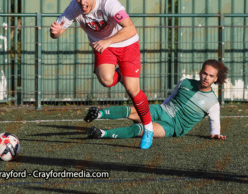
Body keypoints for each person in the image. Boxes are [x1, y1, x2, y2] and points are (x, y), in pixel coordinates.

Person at [50, 0, 154, 149]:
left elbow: (130, 29)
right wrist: (55, 32)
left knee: (132, 89)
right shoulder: (74, 7)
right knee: (106, 80)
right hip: (104, 47)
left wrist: (108, 41)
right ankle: (119, 74)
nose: (82, 2)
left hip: (127, 44)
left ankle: (148, 129)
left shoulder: (108, 2)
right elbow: (57, 31)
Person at [84, 59, 229, 141]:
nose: (206, 77)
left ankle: (102, 133)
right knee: (130, 110)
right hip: (161, 110)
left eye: (210, 76)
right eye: (205, 73)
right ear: (200, 72)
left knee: (141, 129)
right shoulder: (185, 83)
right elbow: (171, 98)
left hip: (173, 127)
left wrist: (215, 132)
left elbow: (215, 121)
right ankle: (98, 114)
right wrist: (156, 110)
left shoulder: (213, 102)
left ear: (215, 78)